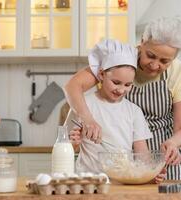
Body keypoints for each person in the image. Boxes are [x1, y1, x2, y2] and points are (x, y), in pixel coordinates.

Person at [64, 17, 181, 180]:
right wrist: (88, 120)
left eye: (164, 61)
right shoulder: (120, 59)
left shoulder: (179, 72)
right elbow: (73, 86)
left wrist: (173, 144)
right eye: (150, 55)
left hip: (165, 158)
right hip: (119, 166)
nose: (154, 65)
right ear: (142, 42)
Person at [64, 39, 153, 174]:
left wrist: (151, 173)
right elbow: (64, 146)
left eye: (127, 85)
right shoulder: (82, 105)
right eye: (116, 82)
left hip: (122, 181)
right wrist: (73, 144)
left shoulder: (134, 111)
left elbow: (142, 155)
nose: (121, 90)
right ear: (101, 74)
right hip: (89, 181)